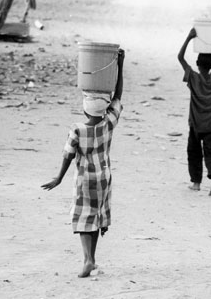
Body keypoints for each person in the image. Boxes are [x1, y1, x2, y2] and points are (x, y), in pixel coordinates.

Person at [42, 49, 125, 278]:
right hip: (104, 179)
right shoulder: (108, 123)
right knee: (96, 217)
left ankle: (88, 260)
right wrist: (120, 64)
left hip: (84, 180)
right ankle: (92, 259)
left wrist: (58, 178)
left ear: (86, 106)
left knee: (83, 218)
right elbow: (118, 96)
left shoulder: (77, 129)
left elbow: (68, 155)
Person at [177, 28, 211, 197]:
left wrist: (189, 37)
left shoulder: (193, 78)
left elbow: (180, 58)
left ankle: (196, 183)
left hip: (196, 123)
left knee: (194, 152)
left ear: (198, 64)